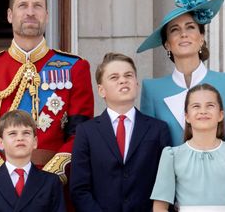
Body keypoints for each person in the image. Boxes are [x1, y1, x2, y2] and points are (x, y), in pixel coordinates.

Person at [0, 0, 94, 210]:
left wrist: (49, 178)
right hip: (1, 191)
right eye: (23, 5)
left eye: (37, 6)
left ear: (46, 15)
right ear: (10, 15)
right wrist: (5, 177)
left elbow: (80, 135)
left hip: (57, 189)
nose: (30, 12)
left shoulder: (75, 67)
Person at [137, 0, 225, 146]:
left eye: (190, 27)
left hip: (221, 170)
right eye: (175, 30)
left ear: (201, 38)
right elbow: (149, 149)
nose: (183, 34)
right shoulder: (152, 90)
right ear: (167, 44)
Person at [69, 52, 172, 212]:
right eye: (114, 77)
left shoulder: (158, 129)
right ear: (101, 90)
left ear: (136, 84)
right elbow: (79, 188)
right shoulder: (86, 132)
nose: (123, 80)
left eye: (128, 75)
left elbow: (166, 183)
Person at [151, 83, 225, 212]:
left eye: (210, 106)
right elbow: (160, 207)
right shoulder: (172, 155)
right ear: (187, 116)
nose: (203, 111)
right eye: (196, 106)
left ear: (220, 115)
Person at [0, 109, 66, 212]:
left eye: (26, 133)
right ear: (0, 143)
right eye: (12, 133)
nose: (20, 138)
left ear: (35, 142)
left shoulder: (51, 182)